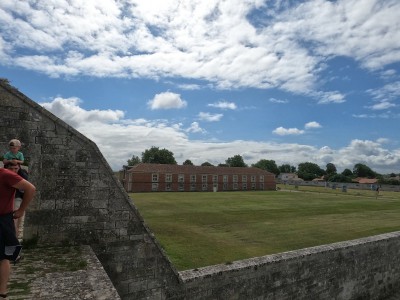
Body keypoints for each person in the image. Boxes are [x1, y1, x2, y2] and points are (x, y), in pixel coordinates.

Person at [0, 166, 35, 299]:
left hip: (3, 220)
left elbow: (30, 188)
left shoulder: (5, 174)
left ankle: (2, 290)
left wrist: (21, 210)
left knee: (4, 256)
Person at [4, 163, 28, 236]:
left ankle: (17, 237)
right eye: (11, 168)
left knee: (18, 219)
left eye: (16, 168)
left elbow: (29, 188)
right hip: (10, 199)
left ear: (19, 168)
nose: (13, 170)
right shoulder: (4, 175)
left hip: (18, 198)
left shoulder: (22, 175)